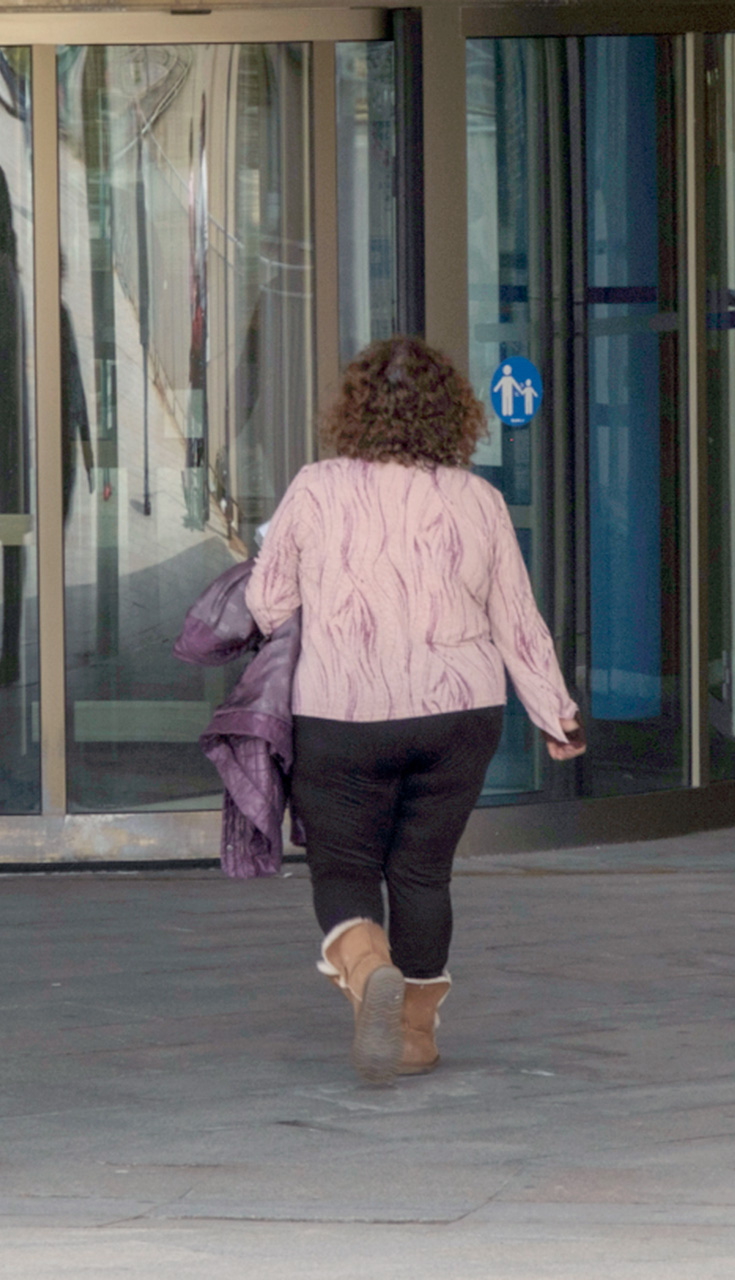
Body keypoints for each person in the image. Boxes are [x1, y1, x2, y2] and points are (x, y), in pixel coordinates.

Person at [245, 337, 586, 1085]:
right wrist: (555, 714)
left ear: (355, 411)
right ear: (451, 416)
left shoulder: (315, 487)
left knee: (344, 867)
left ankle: (369, 975)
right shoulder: (479, 499)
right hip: (459, 714)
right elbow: (518, 622)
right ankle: (416, 1036)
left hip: (342, 713)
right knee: (424, 874)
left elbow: (267, 605)